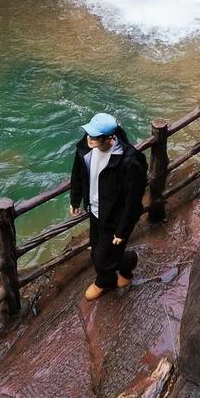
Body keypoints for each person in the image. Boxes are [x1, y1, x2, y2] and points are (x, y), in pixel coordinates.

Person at [69, 112, 147, 301]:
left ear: (109, 137)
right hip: (95, 211)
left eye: (95, 136)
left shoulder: (128, 161)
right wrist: (75, 199)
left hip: (115, 216)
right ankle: (127, 262)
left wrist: (123, 230)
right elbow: (78, 174)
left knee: (102, 257)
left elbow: (133, 200)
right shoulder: (86, 148)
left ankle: (104, 281)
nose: (90, 138)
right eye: (89, 134)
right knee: (96, 249)